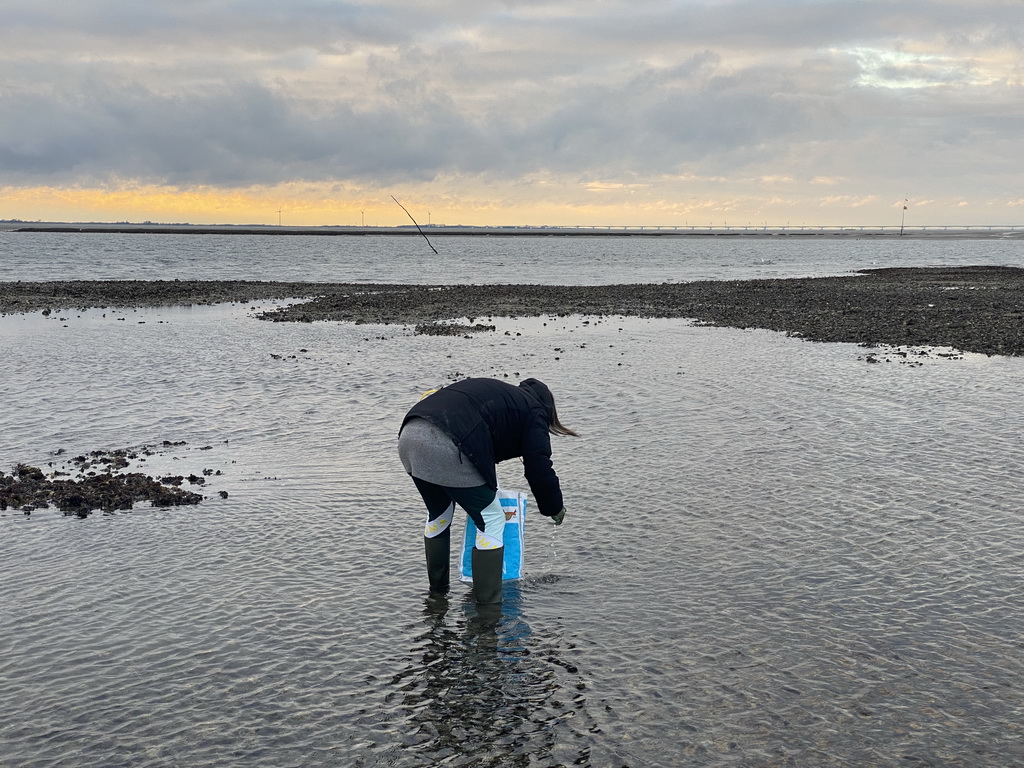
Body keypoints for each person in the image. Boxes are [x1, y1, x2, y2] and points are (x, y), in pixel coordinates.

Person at [398, 377, 577, 604]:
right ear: (549, 408)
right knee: (492, 518)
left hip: (409, 435)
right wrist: (553, 506)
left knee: (439, 514)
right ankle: (488, 610)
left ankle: (437, 594)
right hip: (447, 442)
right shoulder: (535, 411)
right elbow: (538, 466)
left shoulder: (497, 395)